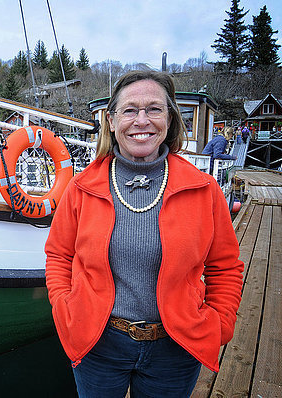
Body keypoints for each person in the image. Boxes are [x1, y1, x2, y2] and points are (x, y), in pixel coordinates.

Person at [45, 70, 244, 398]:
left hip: (176, 348)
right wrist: (64, 306)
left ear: (169, 119)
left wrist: (220, 322)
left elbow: (225, 267)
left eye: (154, 109)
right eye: (130, 110)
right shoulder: (81, 189)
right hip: (99, 343)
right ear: (111, 121)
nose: (142, 120)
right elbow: (58, 256)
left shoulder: (203, 189)